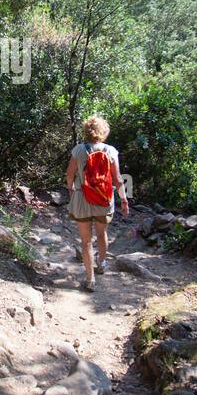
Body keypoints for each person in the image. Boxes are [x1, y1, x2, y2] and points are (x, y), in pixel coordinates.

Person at [65, 115, 129, 292]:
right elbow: (117, 179)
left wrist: (71, 190)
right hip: (103, 199)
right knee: (102, 234)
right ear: (104, 132)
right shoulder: (111, 151)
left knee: (85, 241)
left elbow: (69, 174)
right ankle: (101, 264)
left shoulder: (78, 150)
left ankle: (90, 279)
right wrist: (124, 199)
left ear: (86, 131)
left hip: (82, 198)